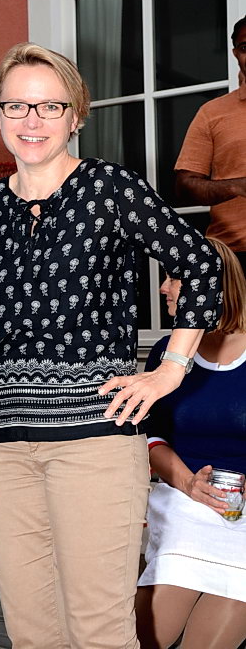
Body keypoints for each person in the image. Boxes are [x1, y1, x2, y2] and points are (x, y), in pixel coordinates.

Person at [0, 42, 223, 649]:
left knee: (98, 631)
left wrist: (170, 370)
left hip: (94, 444)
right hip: (4, 452)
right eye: (17, 106)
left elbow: (202, 265)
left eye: (50, 106)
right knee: (31, 633)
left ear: (76, 115)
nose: (32, 121)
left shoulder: (109, 189)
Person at [136, 238, 246, 649]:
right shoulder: (167, 354)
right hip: (183, 502)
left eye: (174, 278)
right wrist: (188, 483)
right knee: (143, 638)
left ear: (210, 284)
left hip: (243, 516)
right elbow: (152, 436)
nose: (163, 287)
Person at [175, 15, 246, 274]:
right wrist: (237, 186)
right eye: (245, 47)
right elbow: (184, 185)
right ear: (235, 53)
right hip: (234, 256)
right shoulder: (212, 113)